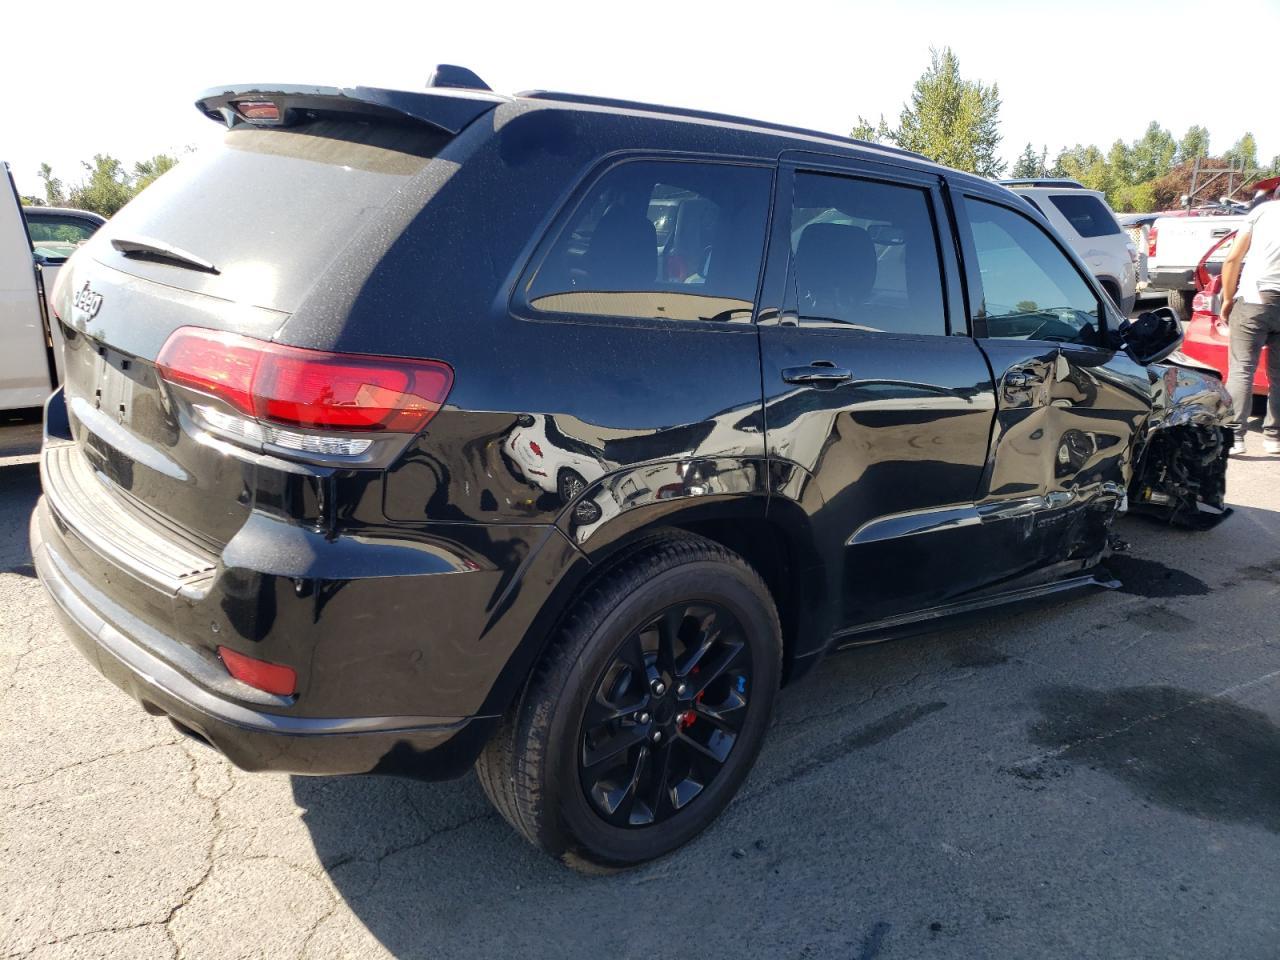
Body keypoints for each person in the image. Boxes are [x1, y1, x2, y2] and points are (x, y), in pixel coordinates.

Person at [1219, 186, 1280, 455]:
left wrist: (1228, 299)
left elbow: (1233, 259)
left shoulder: (1261, 212)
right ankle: (1274, 437)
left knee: (1242, 368)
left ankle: (1235, 436)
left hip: (1255, 297)